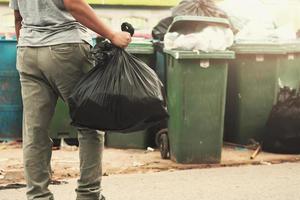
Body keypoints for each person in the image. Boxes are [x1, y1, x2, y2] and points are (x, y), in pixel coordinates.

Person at [9, 0, 131, 199]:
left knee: (34, 132)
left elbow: (18, 17)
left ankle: (38, 195)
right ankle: (88, 194)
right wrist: (112, 35)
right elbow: (74, 4)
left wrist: (28, 45)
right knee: (90, 125)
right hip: (66, 47)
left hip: (27, 50)